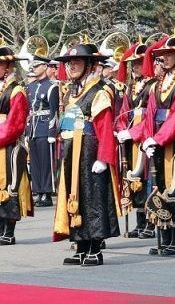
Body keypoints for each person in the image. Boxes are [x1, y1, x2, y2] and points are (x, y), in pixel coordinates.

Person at [118, 33, 175, 256]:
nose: (164, 58)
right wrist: (147, 139)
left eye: (169, 54)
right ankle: (163, 237)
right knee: (159, 186)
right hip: (158, 141)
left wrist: (159, 137)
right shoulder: (156, 86)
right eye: (162, 54)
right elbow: (150, 116)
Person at [52, 41, 120, 266]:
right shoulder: (72, 91)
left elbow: (105, 126)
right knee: (75, 196)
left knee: (92, 197)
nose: (72, 66)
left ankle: (94, 248)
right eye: (70, 62)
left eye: (77, 62)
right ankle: (80, 245)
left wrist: (103, 157)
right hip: (72, 151)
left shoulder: (99, 91)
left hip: (90, 151)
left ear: (90, 65)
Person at [115, 40, 157, 239]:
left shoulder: (152, 86)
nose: (136, 67)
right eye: (134, 64)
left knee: (147, 179)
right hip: (131, 138)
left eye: (140, 63)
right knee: (134, 180)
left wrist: (133, 133)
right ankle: (140, 222)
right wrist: (122, 129)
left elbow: (150, 116)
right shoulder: (131, 88)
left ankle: (150, 222)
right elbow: (123, 112)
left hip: (144, 136)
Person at [0, 43, 32, 246]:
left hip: (9, 144)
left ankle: (8, 230)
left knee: (10, 185)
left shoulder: (16, 90)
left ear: (9, 67)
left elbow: (16, 123)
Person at [25, 55, 59, 207]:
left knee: (46, 162)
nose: (34, 68)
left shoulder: (52, 86)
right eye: (34, 66)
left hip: (45, 128)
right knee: (35, 163)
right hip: (33, 128)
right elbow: (28, 111)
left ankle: (47, 193)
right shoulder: (30, 87)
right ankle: (39, 191)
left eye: (37, 65)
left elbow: (54, 111)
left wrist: (52, 133)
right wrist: (27, 131)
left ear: (45, 67)